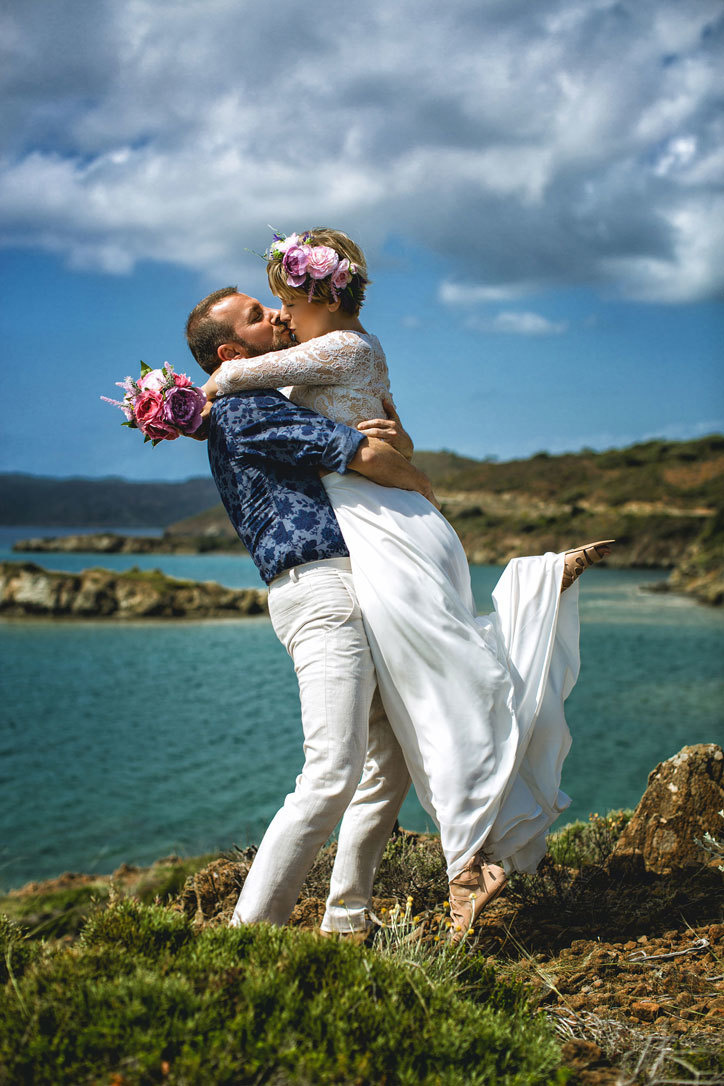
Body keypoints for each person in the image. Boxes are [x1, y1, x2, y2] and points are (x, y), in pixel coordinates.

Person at [201, 228, 613, 938]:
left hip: (387, 528)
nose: (276, 310)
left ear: (314, 288)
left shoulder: (331, 353)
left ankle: (531, 592)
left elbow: (355, 435)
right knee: (423, 708)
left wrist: (191, 398)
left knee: (444, 682)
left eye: (280, 296)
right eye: (260, 310)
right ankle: (398, 894)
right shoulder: (276, 385)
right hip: (366, 539)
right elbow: (367, 436)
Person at [185, 289, 427, 933]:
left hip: (345, 584)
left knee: (389, 761)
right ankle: (249, 936)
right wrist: (422, 484)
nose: (279, 316)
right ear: (233, 352)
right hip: (320, 589)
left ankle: (347, 918)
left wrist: (391, 436)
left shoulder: (276, 398)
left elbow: (371, 442)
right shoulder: (244, 409)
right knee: (331, 770)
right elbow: (363, 456)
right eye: (259, 316)